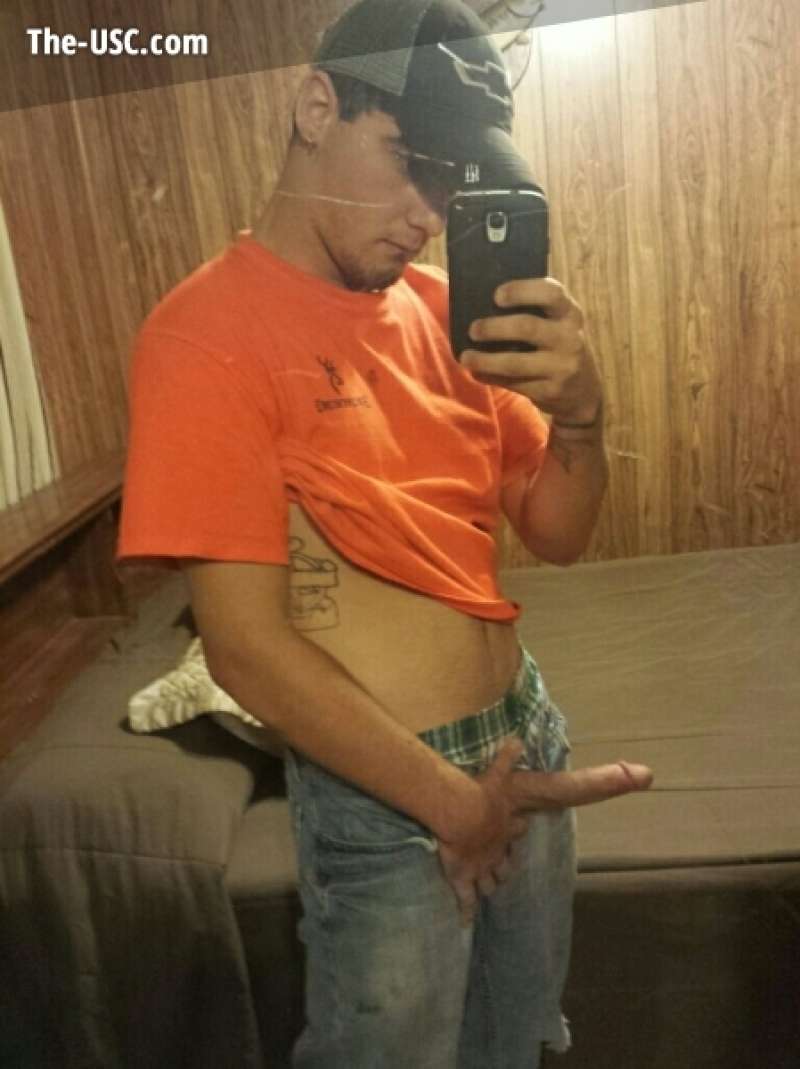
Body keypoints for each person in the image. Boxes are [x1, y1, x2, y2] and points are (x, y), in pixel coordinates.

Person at [117, 0, 653, 1065]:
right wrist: (452, 804)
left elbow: (554, 531)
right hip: (390, 796)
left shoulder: (444, 311)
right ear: (318, 107)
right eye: (412, 164)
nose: (427, 215)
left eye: (450, 183)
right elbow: (244, 647)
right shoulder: (203, 335)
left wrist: (586, 419)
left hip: (523, 739)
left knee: (515, 1041)